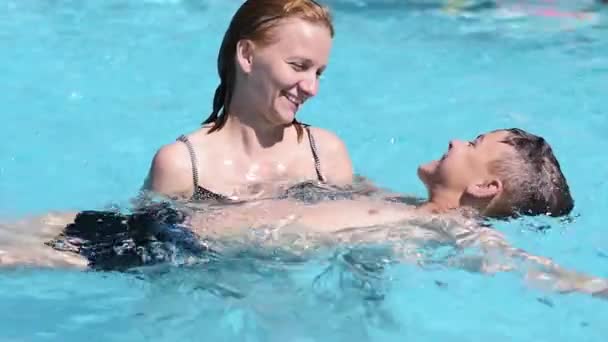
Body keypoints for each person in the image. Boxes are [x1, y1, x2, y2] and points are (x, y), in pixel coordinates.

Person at [4, 128, 605, 298]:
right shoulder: (399, 201)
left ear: (485, 188)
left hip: (173, 252)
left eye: (472, 146)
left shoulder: (448, 228)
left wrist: (593, 285)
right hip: (164, 223)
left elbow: (527, 267)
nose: (454, 142)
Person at [143, 0, 353, 203]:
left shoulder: (325, 156)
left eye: (318, 73)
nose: (311, 88)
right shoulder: (183, 167)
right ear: (247, 55)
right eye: (298, 66)